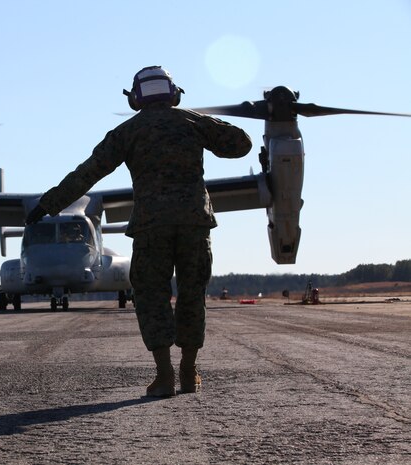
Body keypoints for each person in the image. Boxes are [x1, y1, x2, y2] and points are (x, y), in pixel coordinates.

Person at [26, 66, 252, 396]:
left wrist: (48, 205)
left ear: (135, 98)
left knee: (151, 296)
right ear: (174, 94)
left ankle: (164, 377)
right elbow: (240, 144)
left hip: (151, 226)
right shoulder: (193, 122)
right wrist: (202, 122)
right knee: (192, 294)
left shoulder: (127, 132)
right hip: (195, 223)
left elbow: (88, 174)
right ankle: (189, 372)